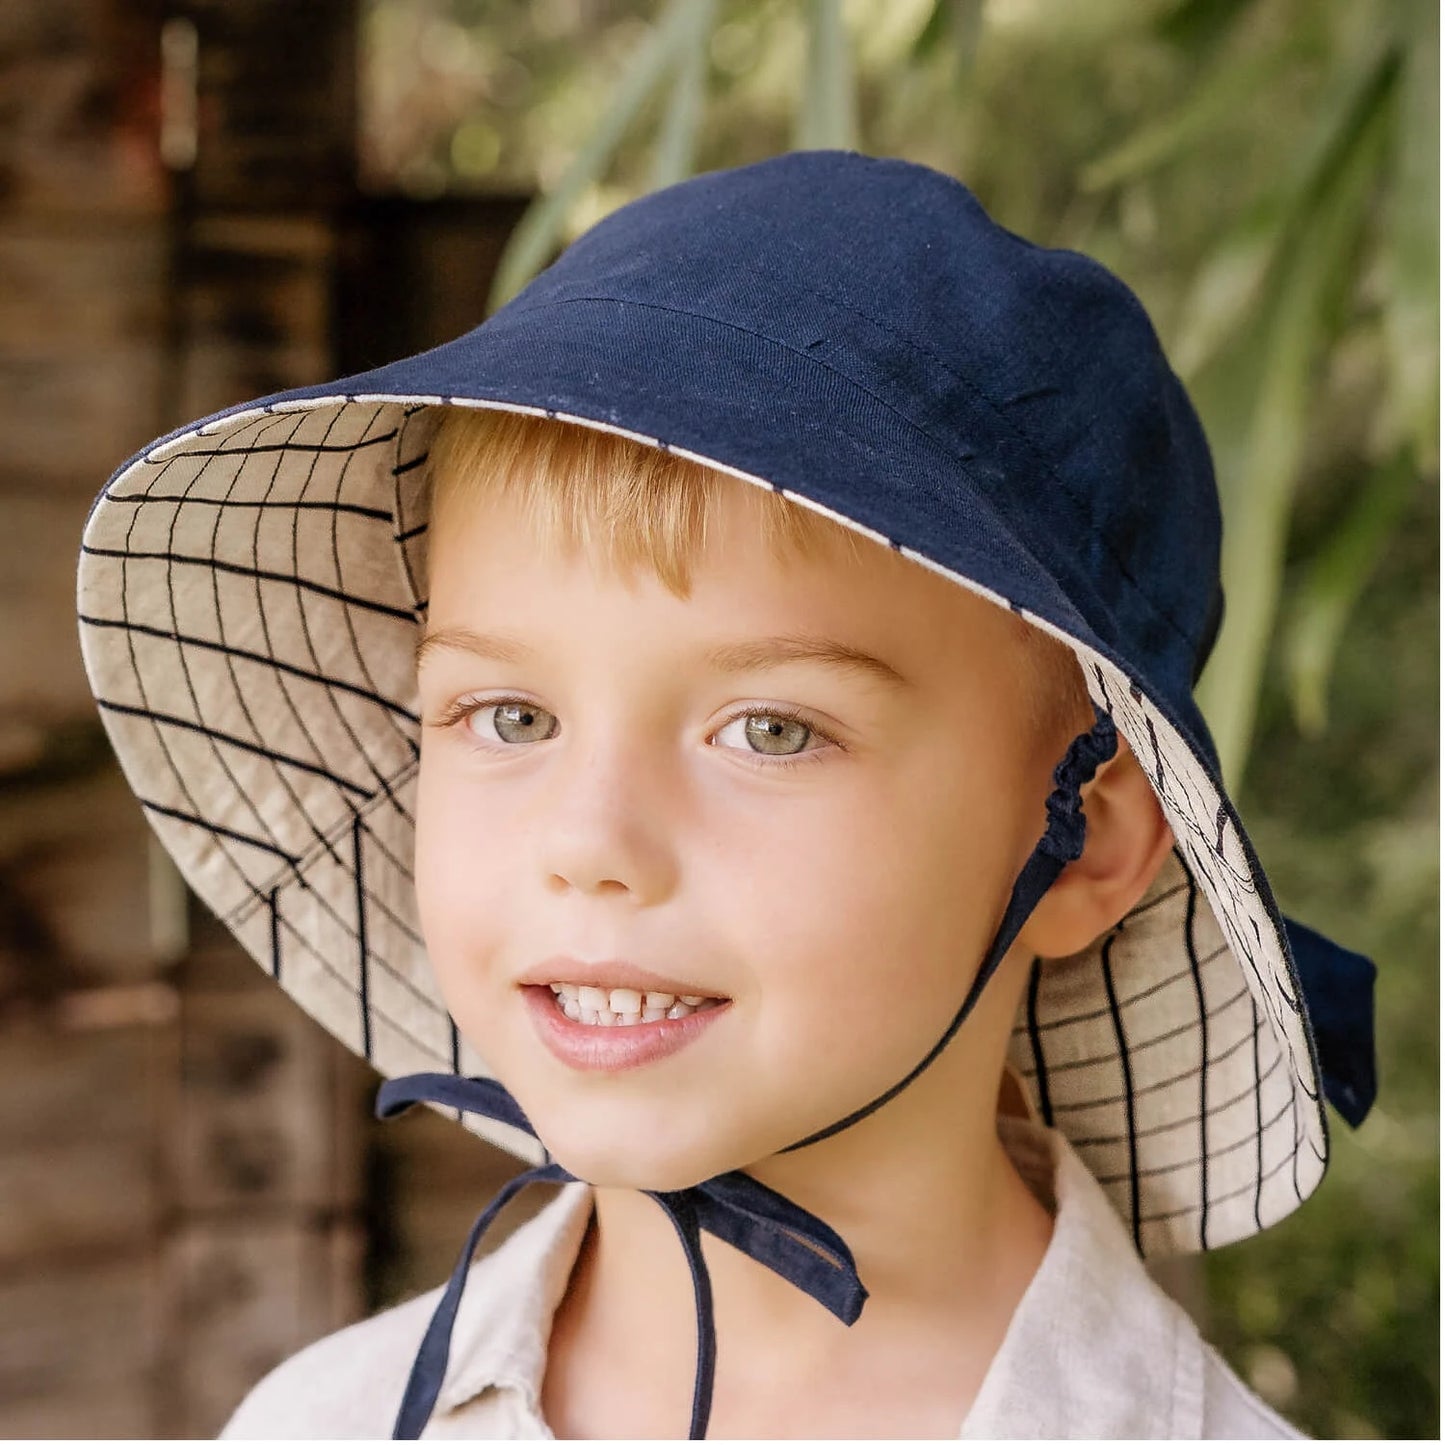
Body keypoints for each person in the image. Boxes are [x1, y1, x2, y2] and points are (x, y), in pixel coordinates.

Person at [76, 150, 1376, 1439]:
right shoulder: (320, 1420)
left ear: (1082, 837)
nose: (589, 842)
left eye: (769, 730)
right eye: (511, 716)